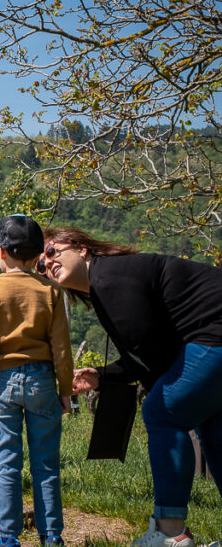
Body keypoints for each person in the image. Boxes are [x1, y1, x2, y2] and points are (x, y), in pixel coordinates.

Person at [40, 226, 222, 547]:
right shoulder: (105, 283)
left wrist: (160, 403)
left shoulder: (109, 280)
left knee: (163, 410)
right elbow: (147, 351)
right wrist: (102, 375)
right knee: (212, 428)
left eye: (52, 251)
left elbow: (156, 354)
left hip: (214, 332)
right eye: (40, 264)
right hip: (209, 336)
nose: (47, 263)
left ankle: (170, 533)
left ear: (81, 247)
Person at [0, 215, 73, 547]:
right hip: (43, 381)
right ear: (38, 256)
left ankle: (7, 538)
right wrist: (65, 390)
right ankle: (52, 537)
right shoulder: (51, 291)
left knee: (6, 464)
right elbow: (61, 347)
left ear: (2, 253)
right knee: (46, 465)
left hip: (3, 383)